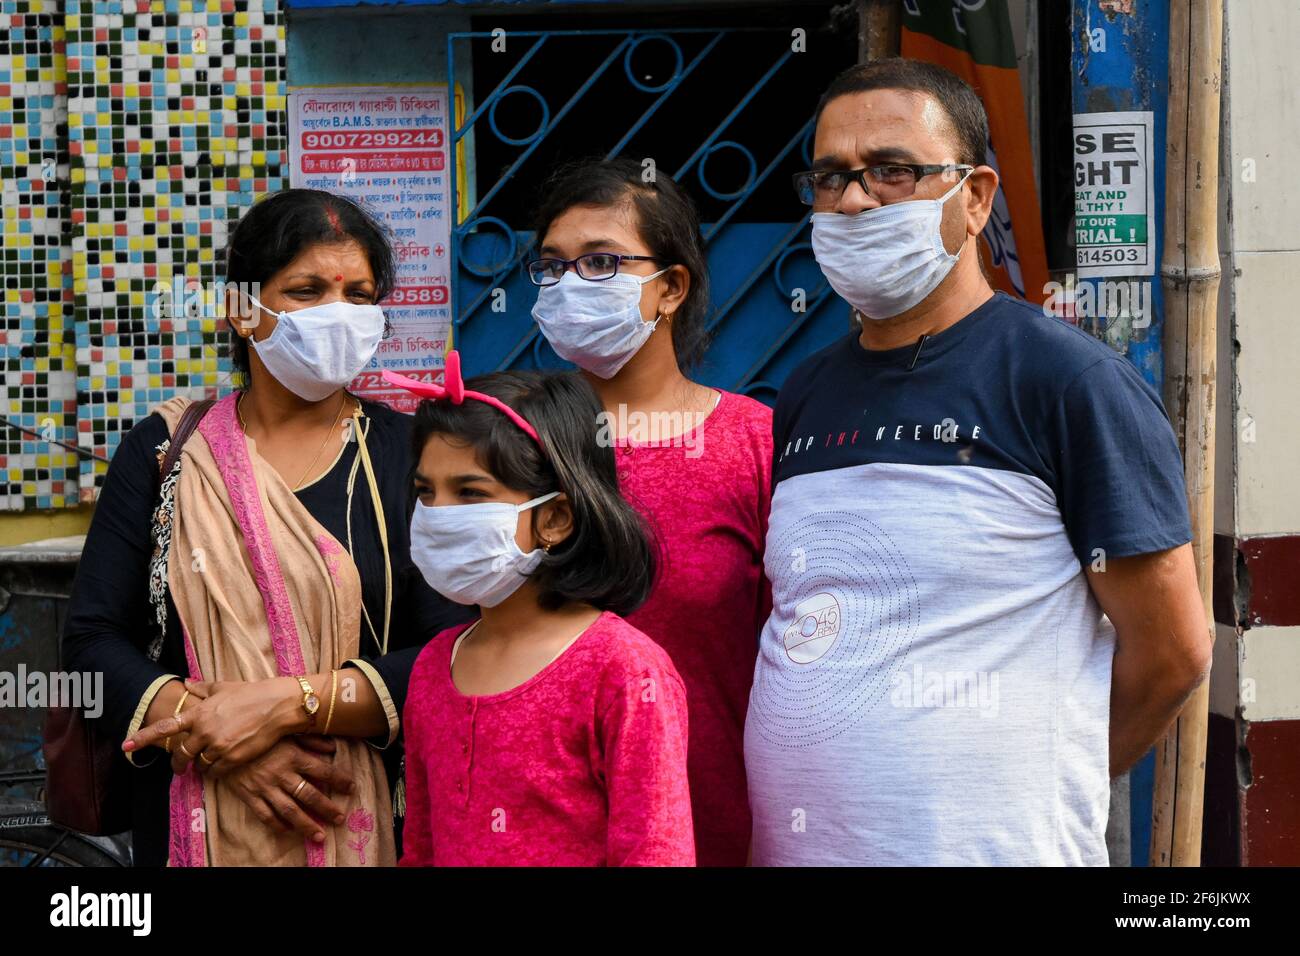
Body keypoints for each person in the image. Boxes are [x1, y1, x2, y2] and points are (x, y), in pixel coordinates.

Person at [745, 58, 1212, 865]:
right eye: (830, 177)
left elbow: (1173, 651)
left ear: (976, 196)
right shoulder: (806, 395)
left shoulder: (1068, 382)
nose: (855, 199)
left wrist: (1031, 787)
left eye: (893, 171)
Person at [65, 188, 472, 866]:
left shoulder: (413, 456)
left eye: (360, 295)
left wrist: (285, 707)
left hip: (374, 816)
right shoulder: (165, 453)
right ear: (240, 310)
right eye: (307, 291)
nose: (337, 316)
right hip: (186, 810)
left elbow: (451, 653)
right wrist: (213, 739)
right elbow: (91, 642)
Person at [527, 158, 772, 866]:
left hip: (712, 829)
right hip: (537, 831)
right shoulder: (512, 444)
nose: (571, 283)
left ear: (671, 287)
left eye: (601, 261)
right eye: (553, 265)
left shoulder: (753, 445)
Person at [388, 356, 694, 866]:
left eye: (470, 493)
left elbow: (655, 853)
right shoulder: (434, 667)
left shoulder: (623, 670)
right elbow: (420, 849)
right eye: (425, 492)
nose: (437, 516)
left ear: (554, 518)